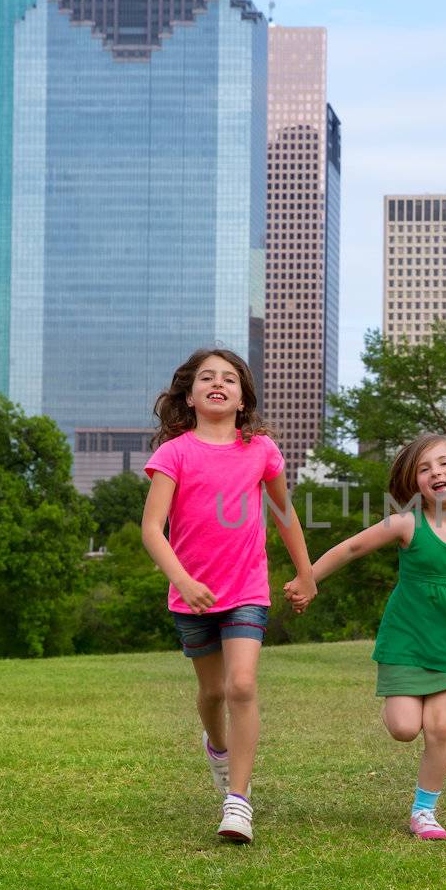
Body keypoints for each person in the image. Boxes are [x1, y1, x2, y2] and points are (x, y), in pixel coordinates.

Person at [287, 433, 446, 840]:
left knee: (440, 728)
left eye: (443, 463)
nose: (435, 473)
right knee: (405, 728)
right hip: (406, 642)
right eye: (424, 469)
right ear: (414, 482)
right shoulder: (408, 523)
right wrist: (308, 578)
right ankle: (400, 704)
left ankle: (424, 811)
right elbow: (352, 549)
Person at [141, 349, 316, 844]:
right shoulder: (174, 453)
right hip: (191, 595)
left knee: (241, 686)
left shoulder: (260, 449)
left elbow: (284, 515)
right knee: (213, 693)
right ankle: (217, 748)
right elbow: (152, 530)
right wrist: (184, 581)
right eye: (206, 378)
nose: (218, 384)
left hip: (246, 590)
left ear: (242, 400)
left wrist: (306, 574)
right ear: (189, 396)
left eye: (230, 379)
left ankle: (238, 802)